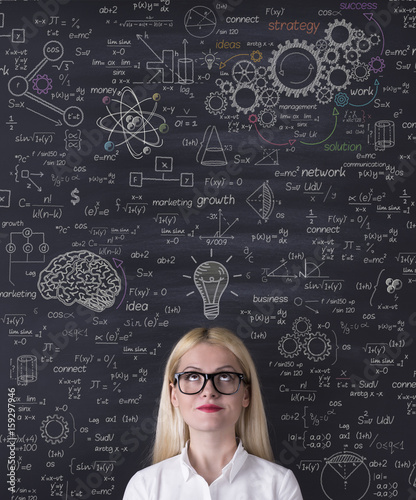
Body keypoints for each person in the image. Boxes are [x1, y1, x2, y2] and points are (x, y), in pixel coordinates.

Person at [123, 326, 303, 500]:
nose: (209, 391)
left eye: (225, 376)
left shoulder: (279, 485)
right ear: (174, 395)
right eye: (193, 376)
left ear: (246, 394)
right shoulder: (145, 486)